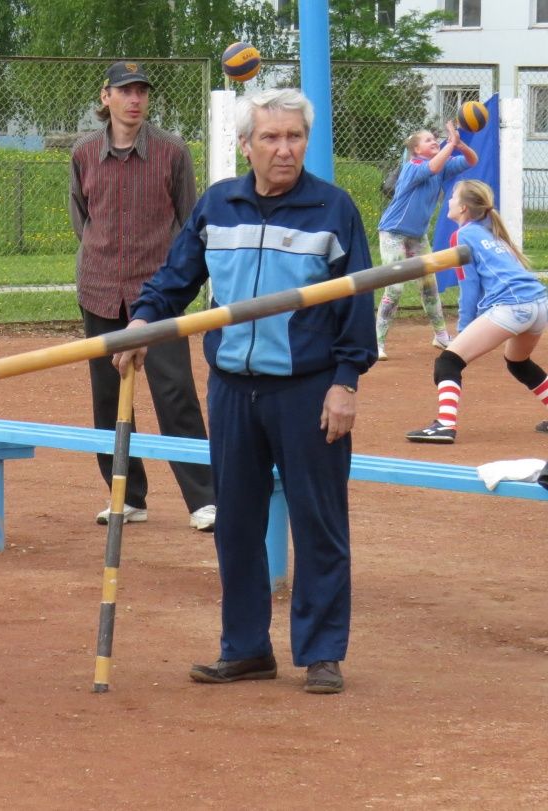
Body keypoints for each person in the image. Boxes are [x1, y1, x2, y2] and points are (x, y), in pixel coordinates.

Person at [116, 88, 377, 694]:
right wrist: (141, 323)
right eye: (271, 138)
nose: (284, 149)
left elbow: (356, 310)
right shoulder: (218, 206)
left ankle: (321, 653)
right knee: (235, 523)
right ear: (245, 145)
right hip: (233, 389)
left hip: (308, 391)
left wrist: (345, 383)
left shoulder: (334, 210)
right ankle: (246, 647)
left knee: (319, 523)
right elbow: (175, 279)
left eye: (294, 137)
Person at [68, 60, 216, 532]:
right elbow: (81, 216)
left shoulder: (172, 152)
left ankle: (204, 500)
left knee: (176, 394)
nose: (135, 99)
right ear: (105, 96)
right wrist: (101, 257)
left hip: (158, 295)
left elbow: (191, 221)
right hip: (99, 290)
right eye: (125, 91)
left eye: (142, 91)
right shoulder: (84, 152)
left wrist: (174, 280)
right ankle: (127, 497)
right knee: (108, 399)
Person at [406, 180, 548, 443]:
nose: (447, 201)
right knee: (519, 363)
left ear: (462, 208)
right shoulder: (491, 232)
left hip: (514, 306)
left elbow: (469, 286)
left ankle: (445, 426)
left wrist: (464, 329)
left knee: (449, 361)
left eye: (452, 197)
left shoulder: (462, 235)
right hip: (539, 304)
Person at [374, 122, 478, 360]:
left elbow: (472, 161)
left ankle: (441, 336)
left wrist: (460, 145)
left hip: (417, 236)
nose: (434, 141)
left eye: (435, 139)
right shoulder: (413, 167)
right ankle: (377, 341)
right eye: (428, 140)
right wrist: (450, 144)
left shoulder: (440, 166)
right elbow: (432, 167)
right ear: (416, 150)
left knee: (429, 285)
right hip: (393, 233)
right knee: (395, 287)